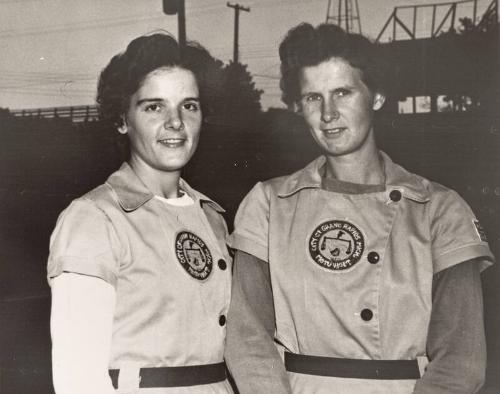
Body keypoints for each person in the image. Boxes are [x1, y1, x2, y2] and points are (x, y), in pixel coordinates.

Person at [224, 23, 495, 393]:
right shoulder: (270, 204)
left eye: (343, 93)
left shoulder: (440, 210)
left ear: (377, 97)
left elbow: (461, 362)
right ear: (298, 107)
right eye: (313, 98)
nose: (328, 113)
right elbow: (247, 339)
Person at [48, 33, 233, 393]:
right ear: (122, 120)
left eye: (189, 105)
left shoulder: (212, 218)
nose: (176, 122)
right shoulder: (94, 219)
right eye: (154, 107)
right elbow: (78, 376)